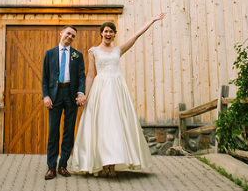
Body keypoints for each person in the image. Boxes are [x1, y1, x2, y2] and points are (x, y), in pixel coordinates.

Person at [68, 13, 165, 177]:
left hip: (117, 90)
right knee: (101, 126)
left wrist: (151, 21)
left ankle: (112, 165)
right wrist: (85, 95)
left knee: (115, 126)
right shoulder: (93, 51)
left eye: (111, 32)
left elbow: (135, 37)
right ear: (101, 33)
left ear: (114, 34)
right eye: (105, 31)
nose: (108, 34)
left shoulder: (118, 50)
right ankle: (102, 165)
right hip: (100, 90)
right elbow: (90, 74)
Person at [41, 25, 87, 180]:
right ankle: (51, 167)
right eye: (68, 33)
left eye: (73, 36)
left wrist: (81, 93)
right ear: (61, 33)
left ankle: (63, 165)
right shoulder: (50, 53)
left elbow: (81, 76)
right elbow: (44, 78)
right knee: (53, 131)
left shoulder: (77, 55)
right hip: (54, 95)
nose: (70, 37)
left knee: (69, 131)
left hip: (70, 95)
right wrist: (46, 96)